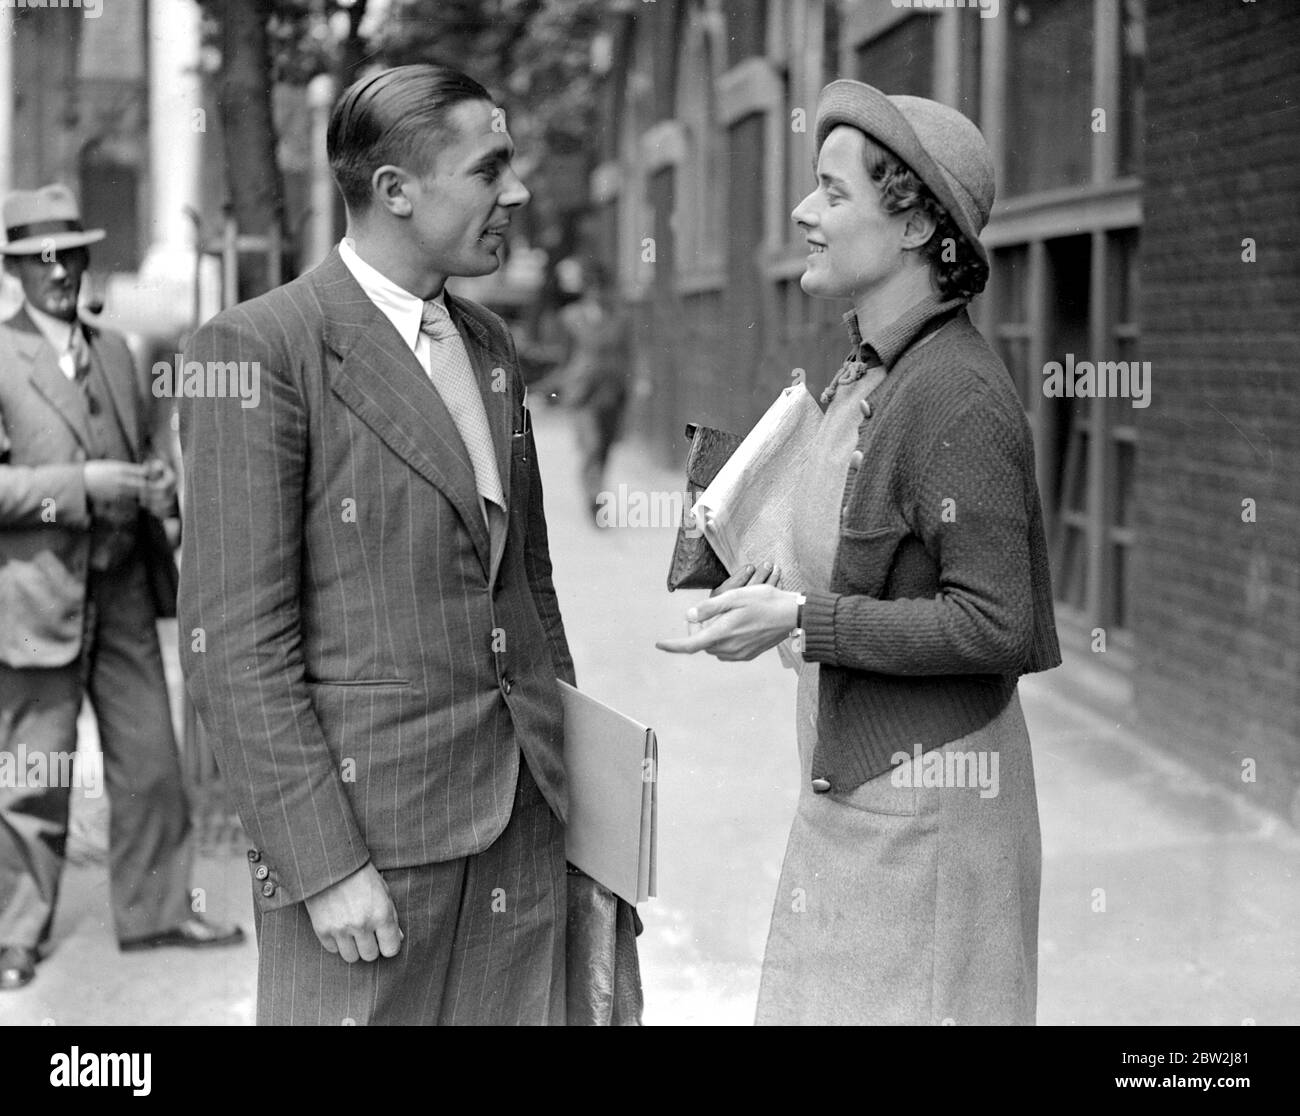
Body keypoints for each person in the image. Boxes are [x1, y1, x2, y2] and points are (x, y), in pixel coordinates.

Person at [179, 64, 576, 1025]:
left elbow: (527, 587)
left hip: (520, 837)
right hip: (369, 862)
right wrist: (323, 867)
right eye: (489, 170)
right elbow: (235, 647)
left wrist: (581, 808)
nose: (515, 193)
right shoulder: (259, 349)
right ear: (396, 191)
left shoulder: (487, 345)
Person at [659, 81, 1061, 1025]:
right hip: (863, 795)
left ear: (916, 225)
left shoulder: (953, 396)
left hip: (927, 816)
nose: (804, 212)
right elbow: (858, 555)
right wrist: (764, 589)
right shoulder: (869, 370)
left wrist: (803, 619)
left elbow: (999, 622)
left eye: (833, 194)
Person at [0, 184, 243, 992]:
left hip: (125, 589)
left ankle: (157, 911)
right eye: (41, 260)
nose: (59, 272)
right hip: (38, 599)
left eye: (69, 255)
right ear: (16, 271)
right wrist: (80, 482)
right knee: (35, 772)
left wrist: (158, 486)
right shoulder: (0, 355)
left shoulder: (116, 353)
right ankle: (15, 937)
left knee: (150, 761)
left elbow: (146, 452)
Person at [557, 264, 632, 522]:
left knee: (605, 449)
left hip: (612, 391)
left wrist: (631, 384)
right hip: (582, 393)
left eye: (603, 288)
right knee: (591, 445)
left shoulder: (620, 318)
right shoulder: (570, 317)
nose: (598, 293)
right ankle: (593, 499)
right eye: (593, 288)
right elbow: (564, 356)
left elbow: (628, 354)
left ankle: (597, 491)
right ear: (586, 290)